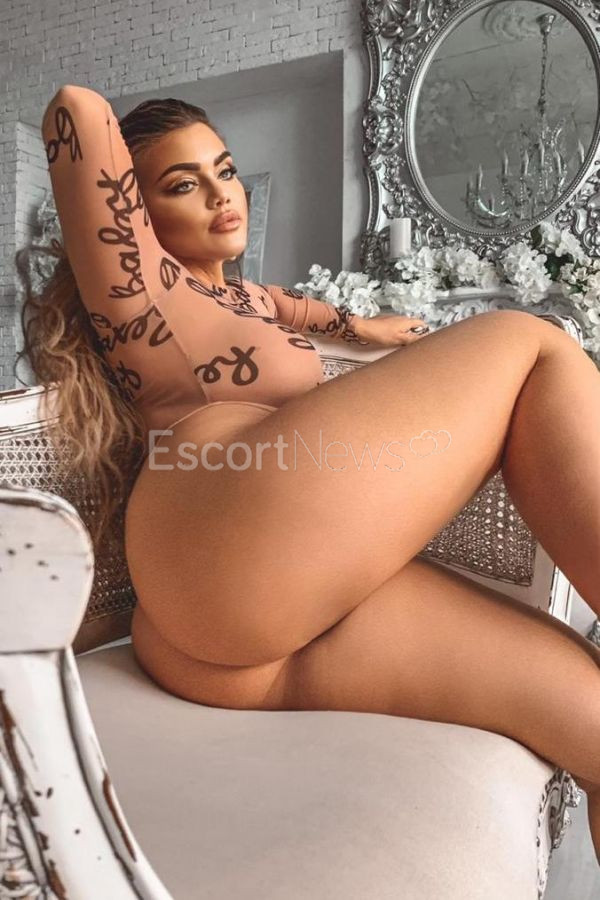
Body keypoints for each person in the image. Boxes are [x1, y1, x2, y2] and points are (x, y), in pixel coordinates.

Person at [28, 84, 600, 862]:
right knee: (529, 343)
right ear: (136, 211)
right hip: (223, 534)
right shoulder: (138, 291)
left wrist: (367, 329)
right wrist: (117, 186)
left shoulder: (242, 298)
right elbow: (74, 111)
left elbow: (302, 313)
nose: (221, 195)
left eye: (225, 171)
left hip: (248, 609)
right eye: (182, 184)